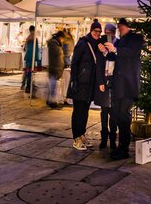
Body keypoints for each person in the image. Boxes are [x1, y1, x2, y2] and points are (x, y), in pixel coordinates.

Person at [101, 18, 144, 160]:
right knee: (117, 115)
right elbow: (114, 57)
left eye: (121, 26)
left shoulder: (136, 38)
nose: (119, 29)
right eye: (118, 26)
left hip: (129, 85)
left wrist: (115, 49)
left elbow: (131, 52)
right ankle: (121, 147)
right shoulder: (120, 41)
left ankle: (124, 149)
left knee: (123, 115)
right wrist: (106, 51)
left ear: (128, 26)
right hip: (118, 85)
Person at [69, 21, 103, 151]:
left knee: (85, 111)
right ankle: (76, 138)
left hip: (90, 84)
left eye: (99, 31)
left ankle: (82, 135)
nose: (97, 33)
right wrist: (74, 80)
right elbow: (74, 62)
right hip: (80, 83)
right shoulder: (83, 43)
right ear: (91, 31)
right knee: (78, 111)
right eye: (95, 31)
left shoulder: (98, 45)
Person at [99, 22, 118, 149]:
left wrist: (111, 50)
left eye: (110, 33)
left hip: (115, 81)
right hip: (105, 80)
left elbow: (118, 59)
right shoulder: (102, 44)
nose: (108, 35)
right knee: (104, 111)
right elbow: (99, 63)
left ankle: (112, 139)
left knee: (114, 112)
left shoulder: (118, 44)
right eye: (105, 33)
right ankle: (104, 137)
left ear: (114, 33)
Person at [45, 31, 65, 108]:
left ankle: (50, 100)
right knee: (53, 87)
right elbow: (56, 56)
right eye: (62, 38)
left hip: (55, 68)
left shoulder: (55, 44)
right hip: (54, 68)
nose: (62, 40)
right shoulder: (54, 44)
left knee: (53, 86)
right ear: (60, 37)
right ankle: (51, 102)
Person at [21, 25, 38, 94]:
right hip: (31, 57)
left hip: (28, 56)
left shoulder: (28, 37)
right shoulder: (34, 37)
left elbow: (25, 48)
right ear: (33, 30)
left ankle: (24, 85)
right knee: (30, 72)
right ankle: (28, 87)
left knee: (27, 71)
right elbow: (35, 49)